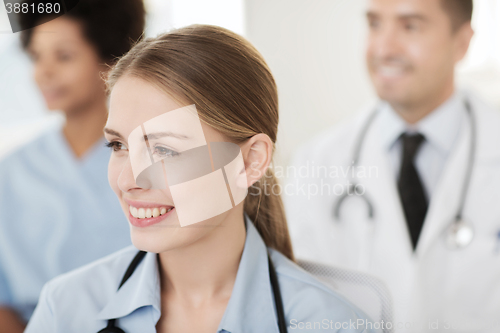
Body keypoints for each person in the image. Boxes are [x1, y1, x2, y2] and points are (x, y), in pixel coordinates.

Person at [24, 25, 376, 333]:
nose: (128, 179)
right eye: (117, 145)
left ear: (251, 161)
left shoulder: (333, 324)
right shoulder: (65, 310)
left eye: (163, 150)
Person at [285, 0, 500, 331]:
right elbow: (299, 306)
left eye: (410, 26)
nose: (383, 48)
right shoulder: (316, 163)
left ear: (462, 42)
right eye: (374, 24)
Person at [0, 1, 145, 331]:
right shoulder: (10, 173)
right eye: (37, 57)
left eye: (63, 56)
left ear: (110, 61)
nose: (44, 72)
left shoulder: (151, 163)